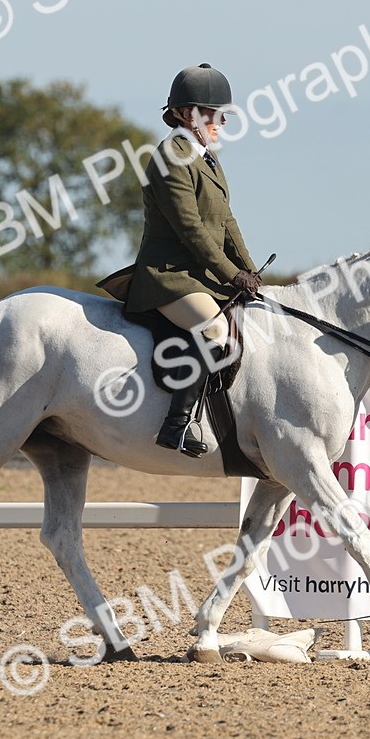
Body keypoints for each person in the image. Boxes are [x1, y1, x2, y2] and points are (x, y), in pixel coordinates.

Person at [123, 63, 261, 458]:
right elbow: (192, 230)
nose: (222, 122)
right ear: (186, 114)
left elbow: (226, 221)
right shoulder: (170, 157)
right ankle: (176, 426)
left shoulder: (206, 158)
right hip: (170, 277)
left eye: (223, 116)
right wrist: (231, 273)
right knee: (216, 332)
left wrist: (250, 271)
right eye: (215, 115)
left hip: (201, 275)